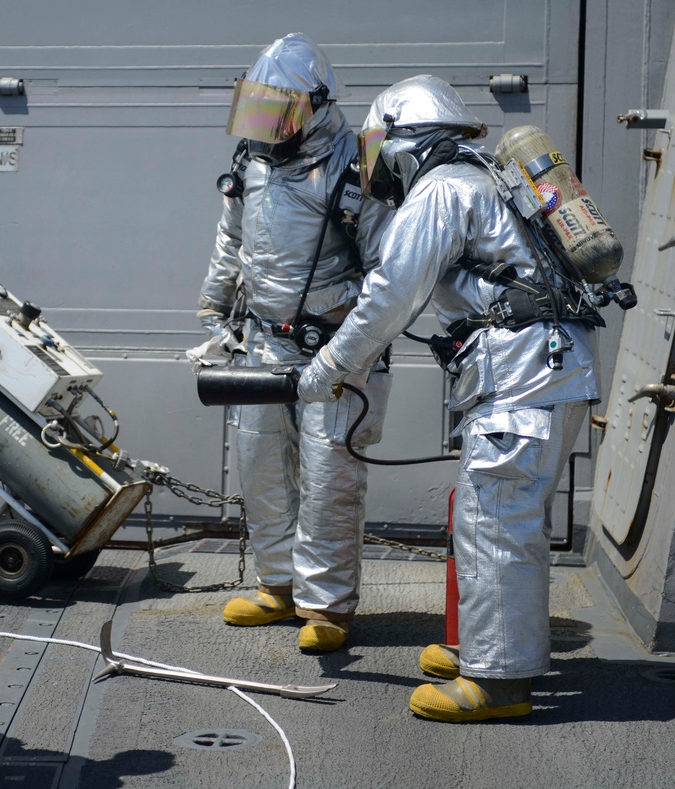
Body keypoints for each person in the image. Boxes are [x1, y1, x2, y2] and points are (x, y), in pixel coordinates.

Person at [297, 74, 601, 720]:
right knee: (494, 515)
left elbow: (388, 294)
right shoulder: (484, 178)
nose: (374, 165)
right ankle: (481, 647)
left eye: (379, 147)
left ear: (405, 141)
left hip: (525, 371)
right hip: (546, 367)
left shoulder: (439, 191)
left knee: (496, 519)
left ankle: (497, 682)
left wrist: (328, 366)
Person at [191, 33, 392, 653]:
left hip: (335, 350)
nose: (268, 124)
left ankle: (327, 605)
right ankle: (278, 585)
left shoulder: (360, 162)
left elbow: (387, 267)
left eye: (280, 110)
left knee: (330, 477)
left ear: (317, 105)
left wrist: (352, 342)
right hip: (263, 343)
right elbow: (233, 242)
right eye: (260, 108)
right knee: (261, 469)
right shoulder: (252, 162)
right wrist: (213, 304)